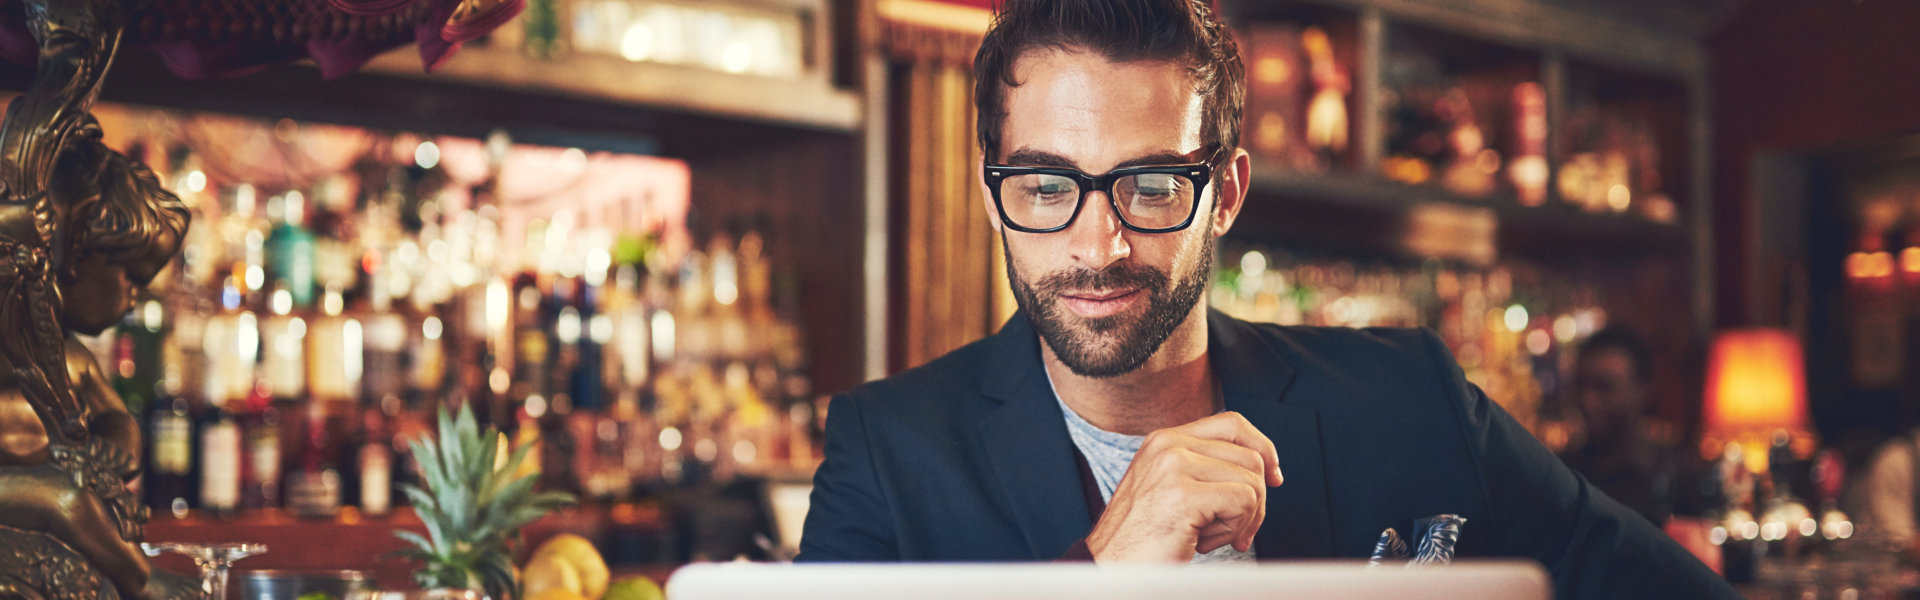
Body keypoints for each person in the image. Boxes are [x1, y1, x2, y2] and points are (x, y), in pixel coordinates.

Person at [797, 0, 1739, 598]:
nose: (1100, 243)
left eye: (1154, 185)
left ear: (1229, 195)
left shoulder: (1413, 400)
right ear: (990, 193)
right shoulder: (888, 452)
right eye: (1046, 187)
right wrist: (1098, 574)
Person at [1557, 328, 1709, 526]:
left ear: (1643, 390)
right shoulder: (1564, 476)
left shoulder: (1679, 477)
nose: (1588, 401)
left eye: (1604, 387)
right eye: (1581, 385)